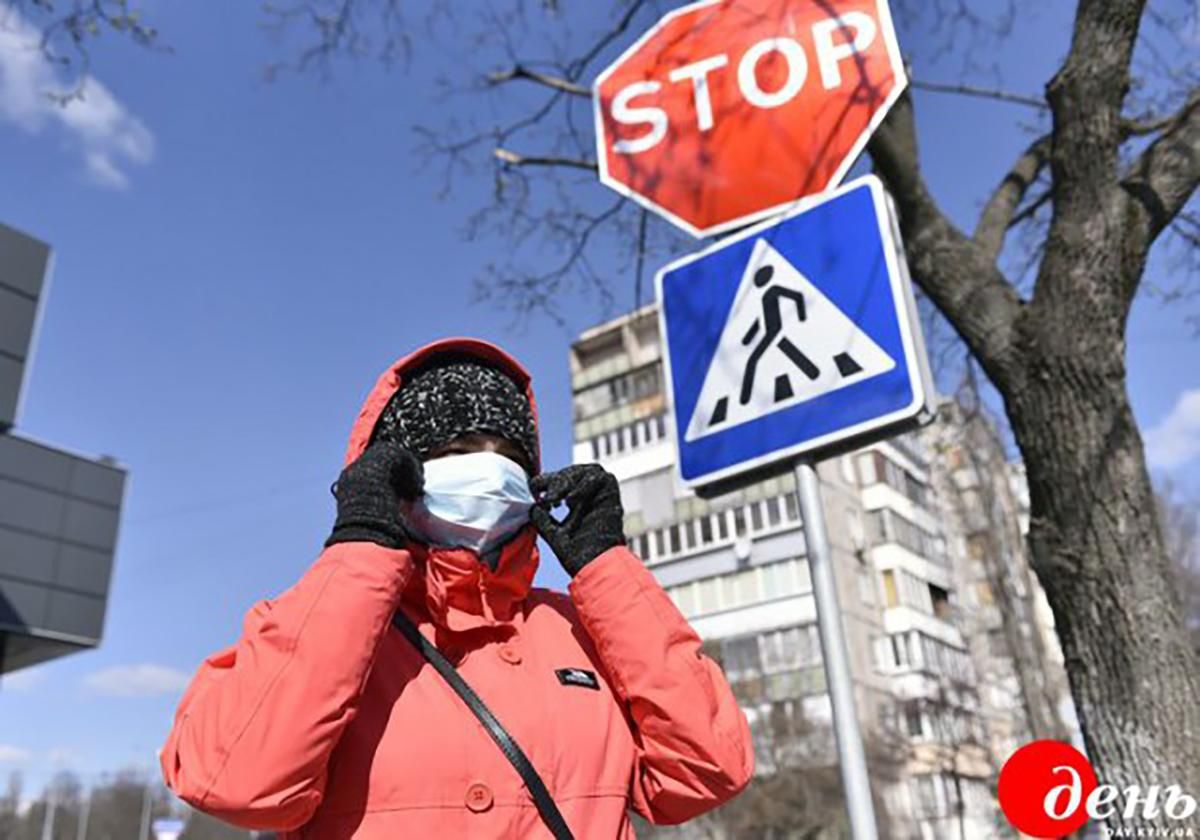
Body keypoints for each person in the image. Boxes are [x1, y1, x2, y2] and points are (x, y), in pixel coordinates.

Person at [160, 338, 754, 839]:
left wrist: (606, 566)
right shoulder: (318, 623)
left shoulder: (579, 628)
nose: (490, 472)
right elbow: (233, 781)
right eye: (458, 450)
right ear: (395, 473)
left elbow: (707, 771)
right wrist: (362, 545)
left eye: (510, 456)